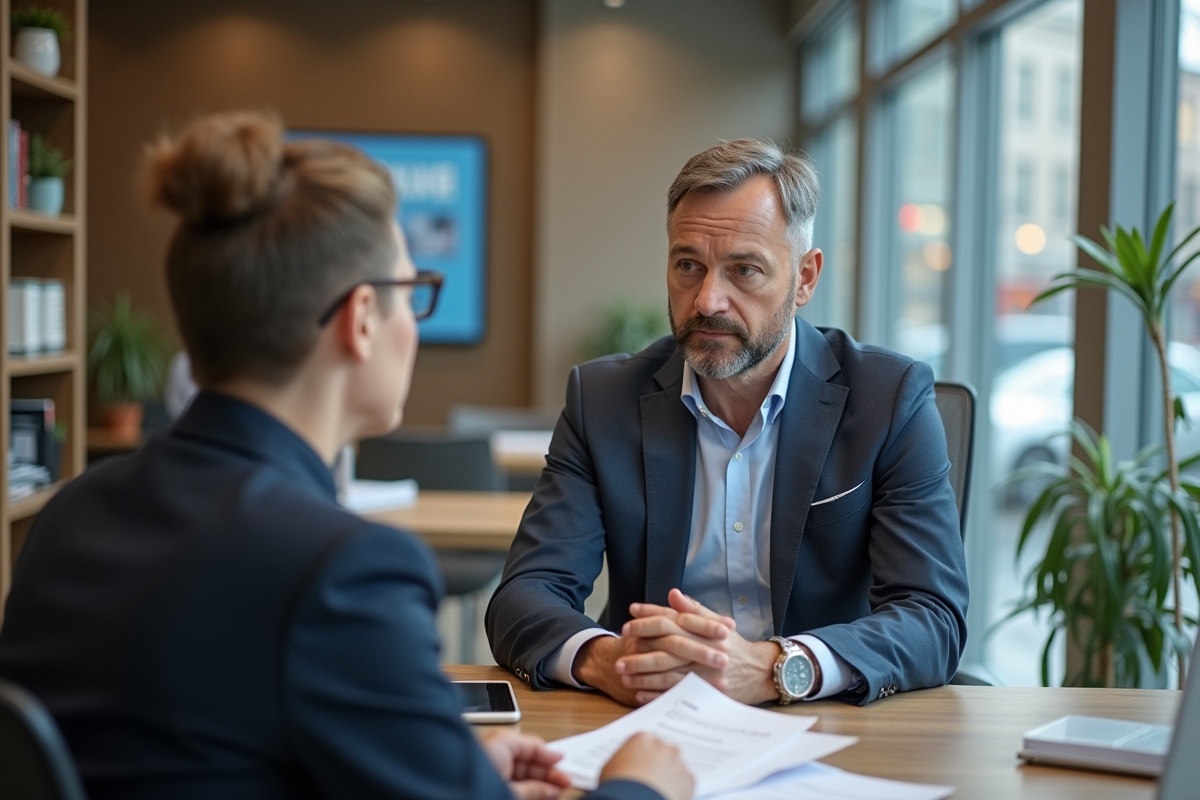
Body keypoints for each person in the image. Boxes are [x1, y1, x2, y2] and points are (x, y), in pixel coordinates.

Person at [0, 112, 692, 800]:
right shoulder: (340, 570)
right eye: (411, 292)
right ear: (362, 319)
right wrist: (638, 787)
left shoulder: (70, 514)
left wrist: (452, 773)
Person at [486, 139, 969, 708]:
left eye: (744, 270)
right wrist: (607, 660)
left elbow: (931, 614)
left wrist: (775, 667)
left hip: (828, 721)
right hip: (651, 712)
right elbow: (525, 593)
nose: (708, 300)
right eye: (688, 265)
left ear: (805, 278)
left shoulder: (888, 399)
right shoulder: (604, 400)